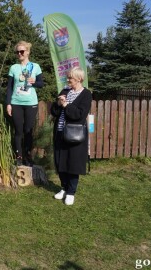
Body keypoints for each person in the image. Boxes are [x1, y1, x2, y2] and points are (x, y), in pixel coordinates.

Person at [50, 67, 92, 206]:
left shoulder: (86, 94)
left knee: (73, 163)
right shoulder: (65, 91)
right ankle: (64, 187)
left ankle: (71, 192)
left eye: (70, 78)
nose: (68, 81)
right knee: (60, 161)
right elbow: (54, 111)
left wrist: (66, 105)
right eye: (67, 78)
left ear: (79, 79)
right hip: (60, 132)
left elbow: (79, 115)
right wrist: (58, 103)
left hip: (75, 134)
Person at [6, 41, 44, 166]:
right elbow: (10, 87)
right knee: (18, 131)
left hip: (31, 103)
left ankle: (28, 156)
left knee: (28, 130)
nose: (19, 54)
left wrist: (34, 82)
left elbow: (41, 84)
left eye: (21, 51)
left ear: (27, 52)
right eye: (17, 52)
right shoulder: (14, 68)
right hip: (16, 103)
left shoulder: (35, 67)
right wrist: (8, 103)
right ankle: (19, 156)